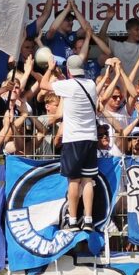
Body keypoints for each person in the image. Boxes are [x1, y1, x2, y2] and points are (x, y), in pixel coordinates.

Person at [38, 53, 100, 231]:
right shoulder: (91, 84)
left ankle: (72, 220)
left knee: (74, 181)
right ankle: (88, 220)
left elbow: (43, 85)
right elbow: (70, 83)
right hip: (90, 138)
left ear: (69, 70)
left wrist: (50, 69)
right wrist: (61, 76)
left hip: (73, 139)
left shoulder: (67, 86)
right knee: (87, 180)